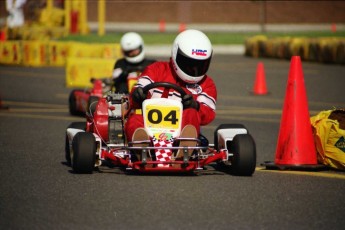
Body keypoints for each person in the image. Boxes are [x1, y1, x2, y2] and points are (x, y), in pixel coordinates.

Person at [125, 29, 217, 158]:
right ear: (175, 55)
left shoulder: (206, 84)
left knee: (191, 113)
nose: (194, 69)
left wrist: (195, 106)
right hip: (149, 127)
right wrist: (137, 94)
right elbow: (140, 88)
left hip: (180, 131)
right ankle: (143, 148)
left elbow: (208, 114)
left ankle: (183, 149)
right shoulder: (156, 69)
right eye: (189, 64)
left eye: (200, 65)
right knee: (134, 119)